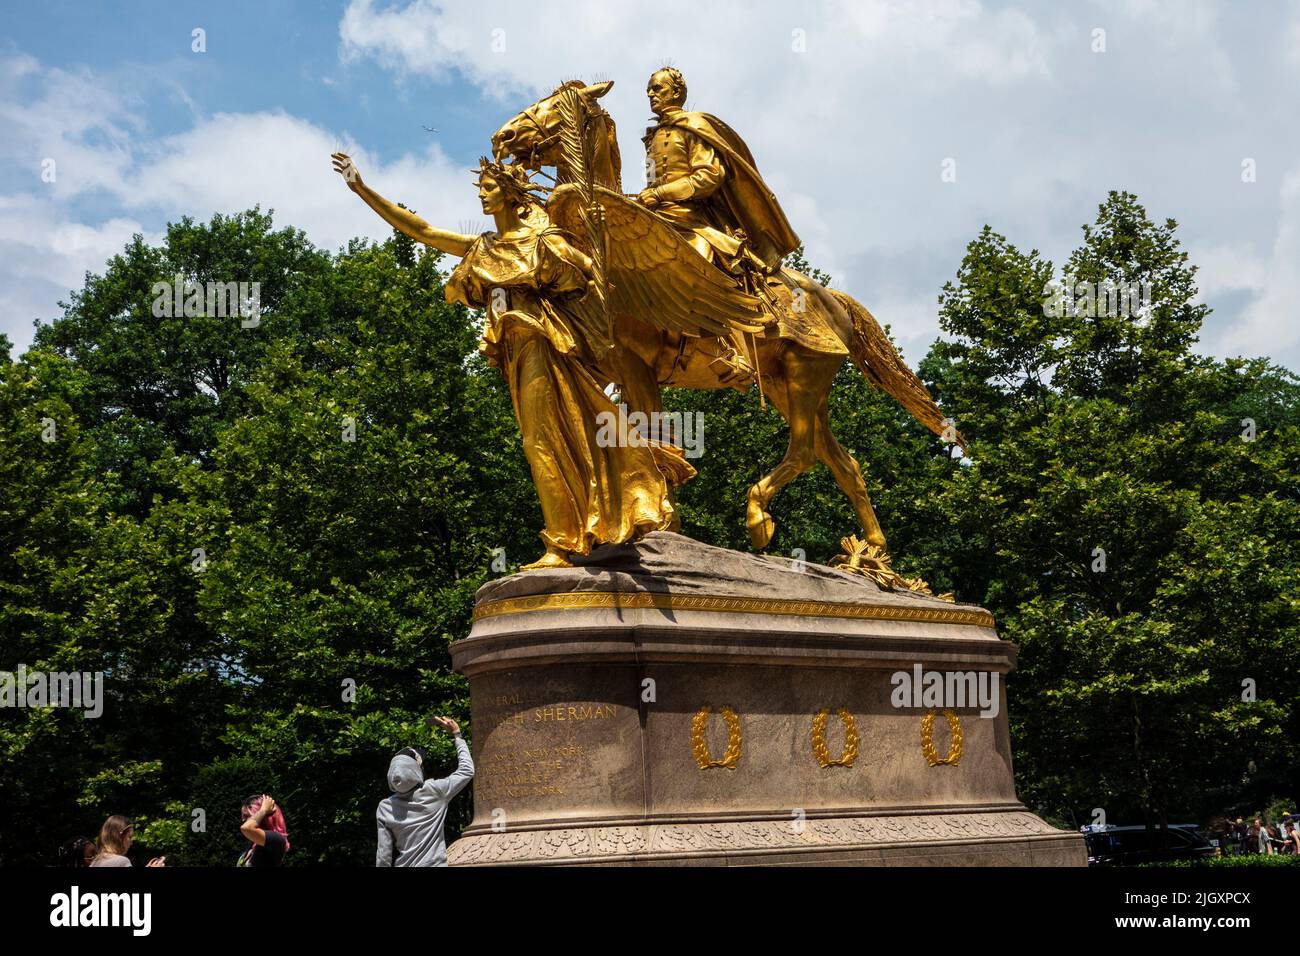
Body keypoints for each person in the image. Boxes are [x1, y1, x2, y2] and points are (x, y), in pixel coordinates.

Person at [332, 151, 694, 569]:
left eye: (489, 188)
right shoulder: (485, 247)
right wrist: (362, 188)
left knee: (543, 442)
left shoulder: (544, 242)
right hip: (517, 355)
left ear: (509, 193)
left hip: (546, 347)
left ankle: (562, 543)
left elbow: (590, 278)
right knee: (552, 443)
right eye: (481, 189)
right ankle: (582, 529)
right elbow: (425, 231)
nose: (482, 196)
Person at [376, 716, 473, 867]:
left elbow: (384, 855)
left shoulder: (385, 807)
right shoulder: (435, 791)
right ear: (416, 771)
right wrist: (457, 735)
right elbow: (467, 771)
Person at [90, 815, 165, 867]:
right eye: (130, 837)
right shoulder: (121, 861)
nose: (131, 842)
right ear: (119, 836)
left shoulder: (96, 861)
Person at [238, 794, 290, 867]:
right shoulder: (253, 843)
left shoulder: (277, 840)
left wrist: (263, 810)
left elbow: (246, 828)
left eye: (246, 816)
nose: (243, 820)